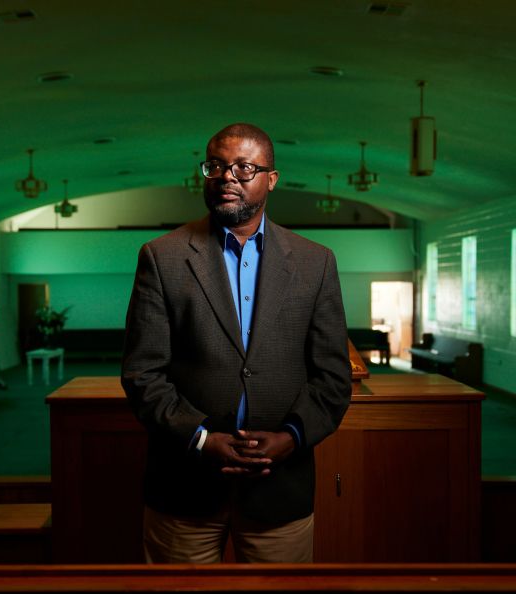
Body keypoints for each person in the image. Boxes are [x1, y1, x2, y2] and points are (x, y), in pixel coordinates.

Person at [121, 122, 352, 563]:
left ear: (271, 179)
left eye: (245, 167)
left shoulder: (315, 262)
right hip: (184, 486)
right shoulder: (162, 256)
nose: (228, 177)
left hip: (281, 486)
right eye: (217, 166)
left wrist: (291, 436)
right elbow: (142, 373)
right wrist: (203, 440)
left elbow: (332, 377)